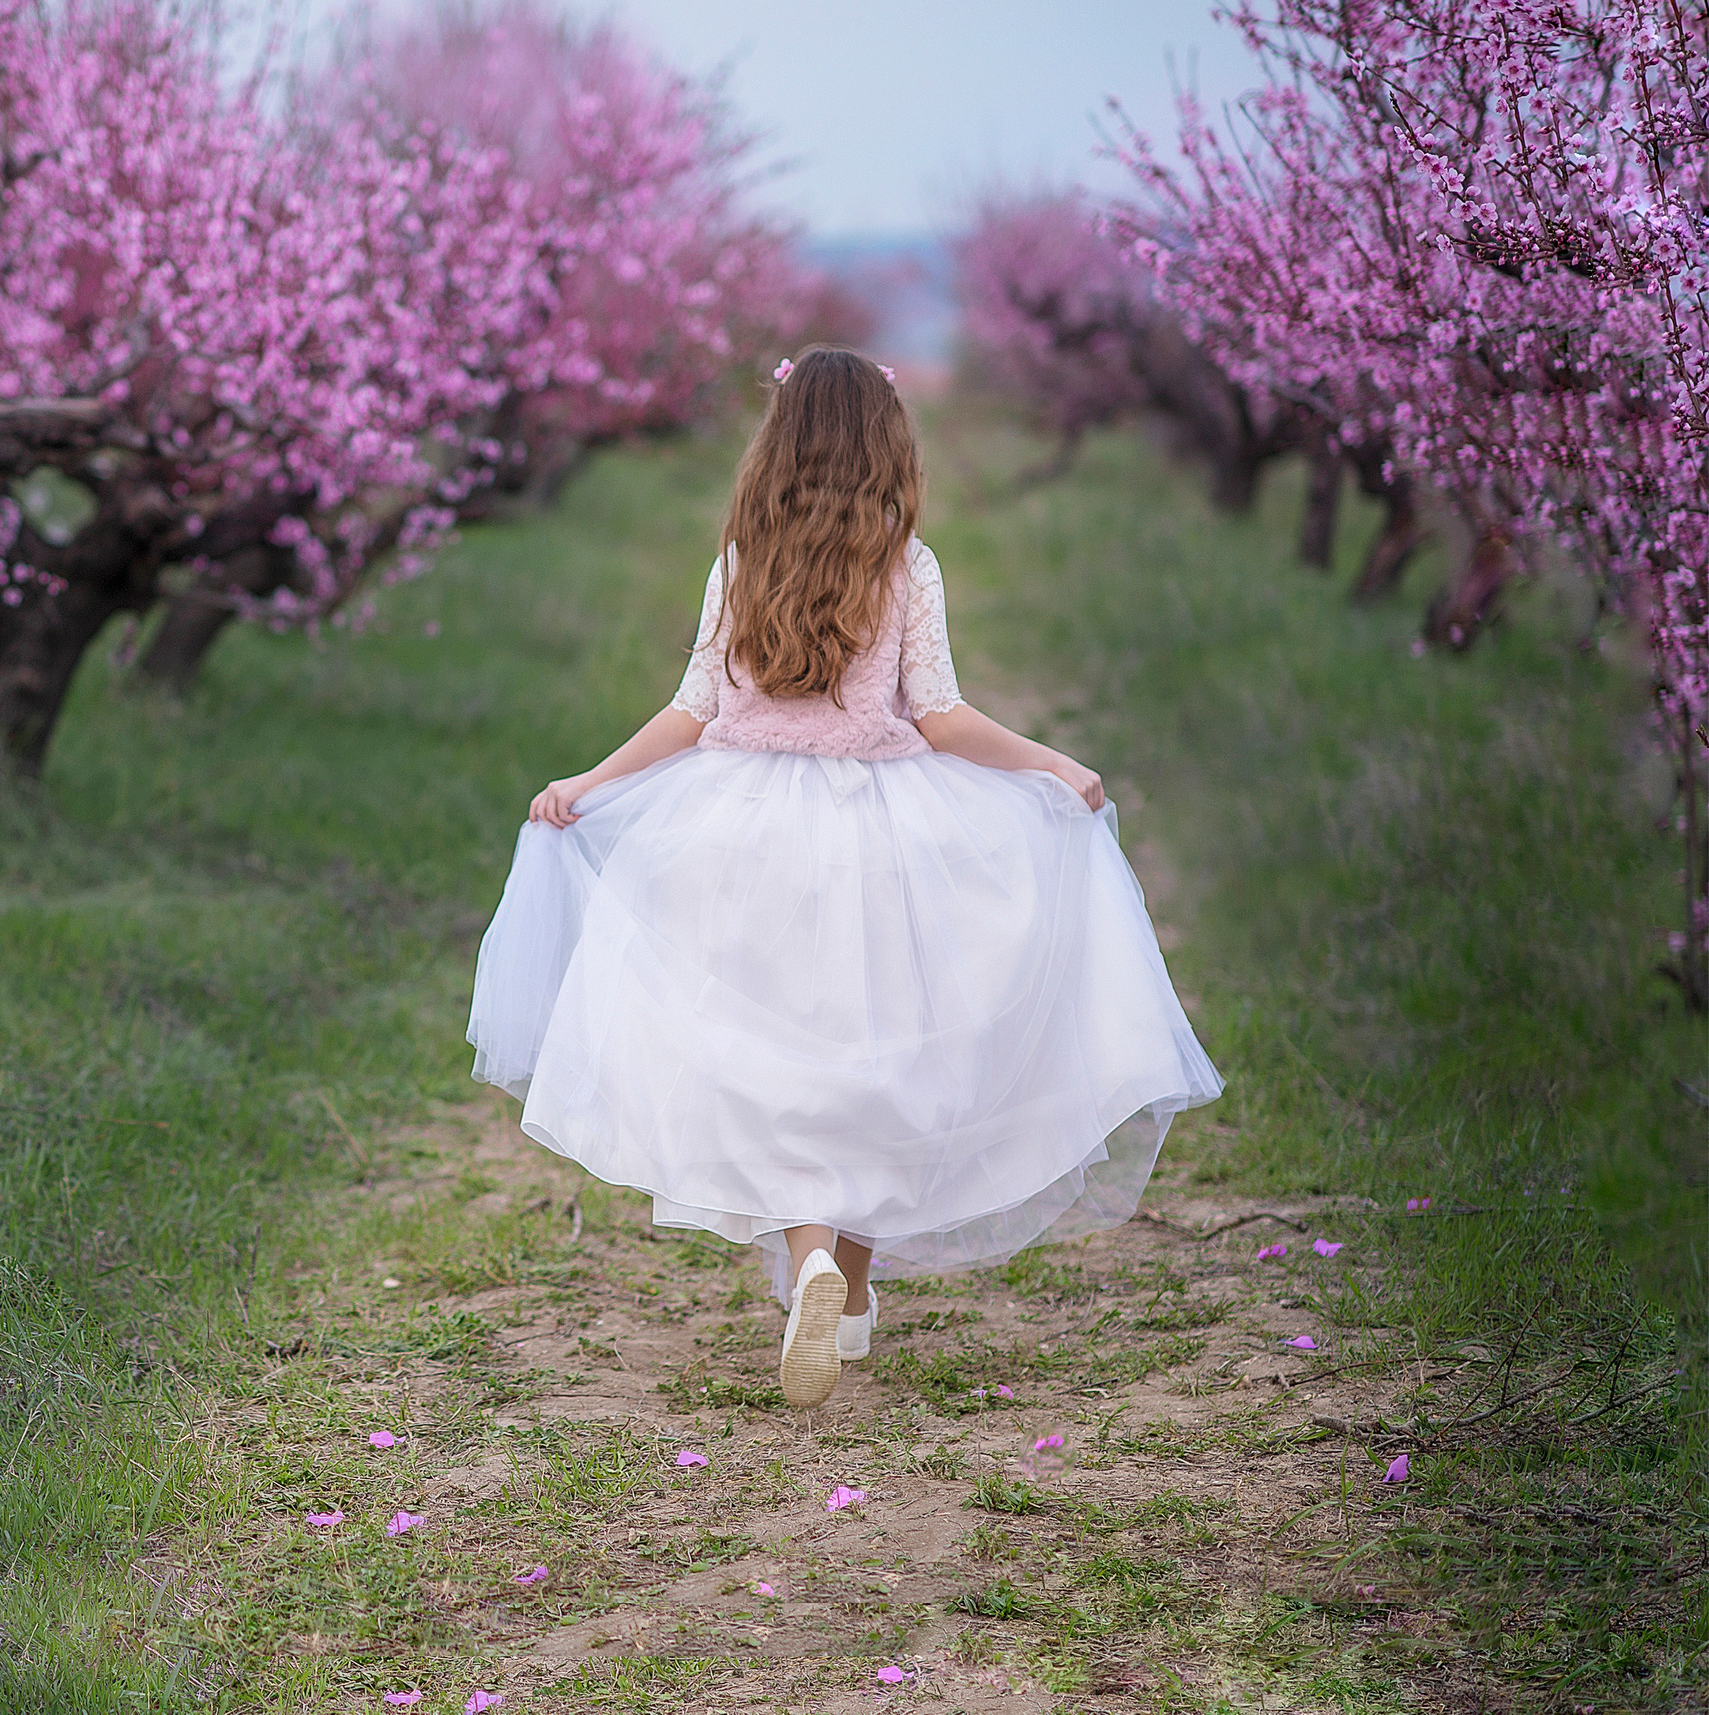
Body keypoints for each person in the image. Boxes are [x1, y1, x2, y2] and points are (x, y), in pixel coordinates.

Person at [466, 345, 1222, 1410]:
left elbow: (692, 708)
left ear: (777, 442)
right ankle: (847, 1286)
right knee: (869, 1053)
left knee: (769, 1051)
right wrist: (1053, 763)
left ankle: (813, 1263)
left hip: (734, 826)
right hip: (875, 829)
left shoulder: (741, 557)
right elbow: (942, 715)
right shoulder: (903, 562)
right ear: (884, 443)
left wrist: (590, 781)